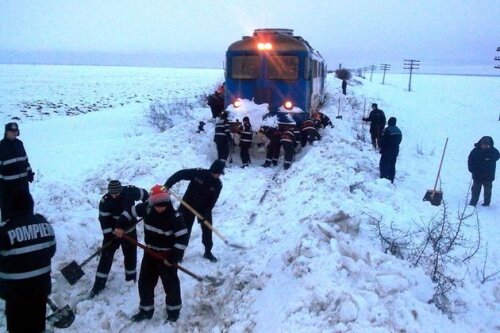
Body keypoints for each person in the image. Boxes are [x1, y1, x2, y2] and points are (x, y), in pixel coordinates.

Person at [114, 185, 188, 323]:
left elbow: (182, 239)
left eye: (162, 205)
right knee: (145, 283)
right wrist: (120, 226)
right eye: (156, 205)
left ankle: (173, 312)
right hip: (150, 253)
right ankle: (145, 311)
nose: (159, 208)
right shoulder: (147, 208)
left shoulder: (175, 217)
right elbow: (128, 212)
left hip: (166, 255)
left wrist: (173, 258)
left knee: (170, 285)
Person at [0, 188, 56, 333]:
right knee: (37, 326)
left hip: (15, 293)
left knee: (17, 327)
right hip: (40, 288)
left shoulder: (5, 231)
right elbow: (51, 251)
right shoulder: (45, 225)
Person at [90, 180, 149, 297]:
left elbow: (145, 195)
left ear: (121, 190)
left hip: (129, 229)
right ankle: (99, 285)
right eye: (112, 193)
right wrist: (111, 235)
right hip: (112, 232)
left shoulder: (130, 191)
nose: (114, 196)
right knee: (106, 257)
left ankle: (130, 278)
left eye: (116, 193)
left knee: (130, 254)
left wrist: (147, 208)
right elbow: (104, 220)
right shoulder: (105, 201)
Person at [164, 160, 224, 262]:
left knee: (207, 230)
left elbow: (212, 201)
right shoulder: (198, 173)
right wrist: (167, 185)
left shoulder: (218, 185)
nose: (217, 175)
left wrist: (205, 214)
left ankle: (208, 251)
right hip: (187, 205)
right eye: (215, 173)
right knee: (183, 230)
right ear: (212, 170)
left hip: (204, 208)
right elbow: (181, 174)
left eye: (219, 174)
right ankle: (179, 254)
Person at [0, 122, 34, 221]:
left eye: (16, 131)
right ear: (6, 132)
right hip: (8, 185)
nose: (14, 133)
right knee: (8, 207)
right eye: (12, 131)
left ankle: (26, 223)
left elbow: (25, 160)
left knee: (25, 204)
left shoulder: (19, 144)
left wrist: (29, 173)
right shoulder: (1, 146)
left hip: (23, 183)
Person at [468, 136, 500, 207]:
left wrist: (489, 154)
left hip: (488, 176)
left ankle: (486, 203)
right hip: (477, 175)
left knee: (487, 191)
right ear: (481, 144)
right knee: (475, 190)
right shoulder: (475, 151)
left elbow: (497, 155)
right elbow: (470, 160)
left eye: (487, 145)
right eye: (484, 145)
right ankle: (473, 202)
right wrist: (471, 169)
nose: (485, 146)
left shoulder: (493, 151)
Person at [379, 117, 402, 183]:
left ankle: (383, 178)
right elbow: (400, 140)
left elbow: (382, 140)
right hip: (395, 150)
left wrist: (381, 147)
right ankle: (391, 178)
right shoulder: (399, 130)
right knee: (392, 164)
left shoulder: (387, 130)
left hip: (387, 150)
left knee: (384, 163)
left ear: (389, 122)